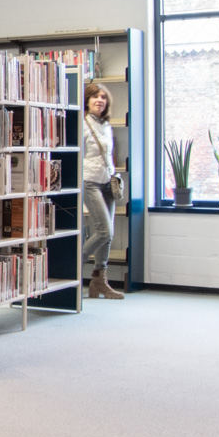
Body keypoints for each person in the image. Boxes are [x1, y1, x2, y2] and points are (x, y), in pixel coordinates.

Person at [82, 82, 124, 300]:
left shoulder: (106, 125)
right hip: (90, 182)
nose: (100, 100)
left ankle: (99, 281)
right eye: (95, 97)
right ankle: (74, 262)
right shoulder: (82, 124)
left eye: (103, 97)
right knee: (103, 231)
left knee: (109, 235)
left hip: (108, 182)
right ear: (87, 100)